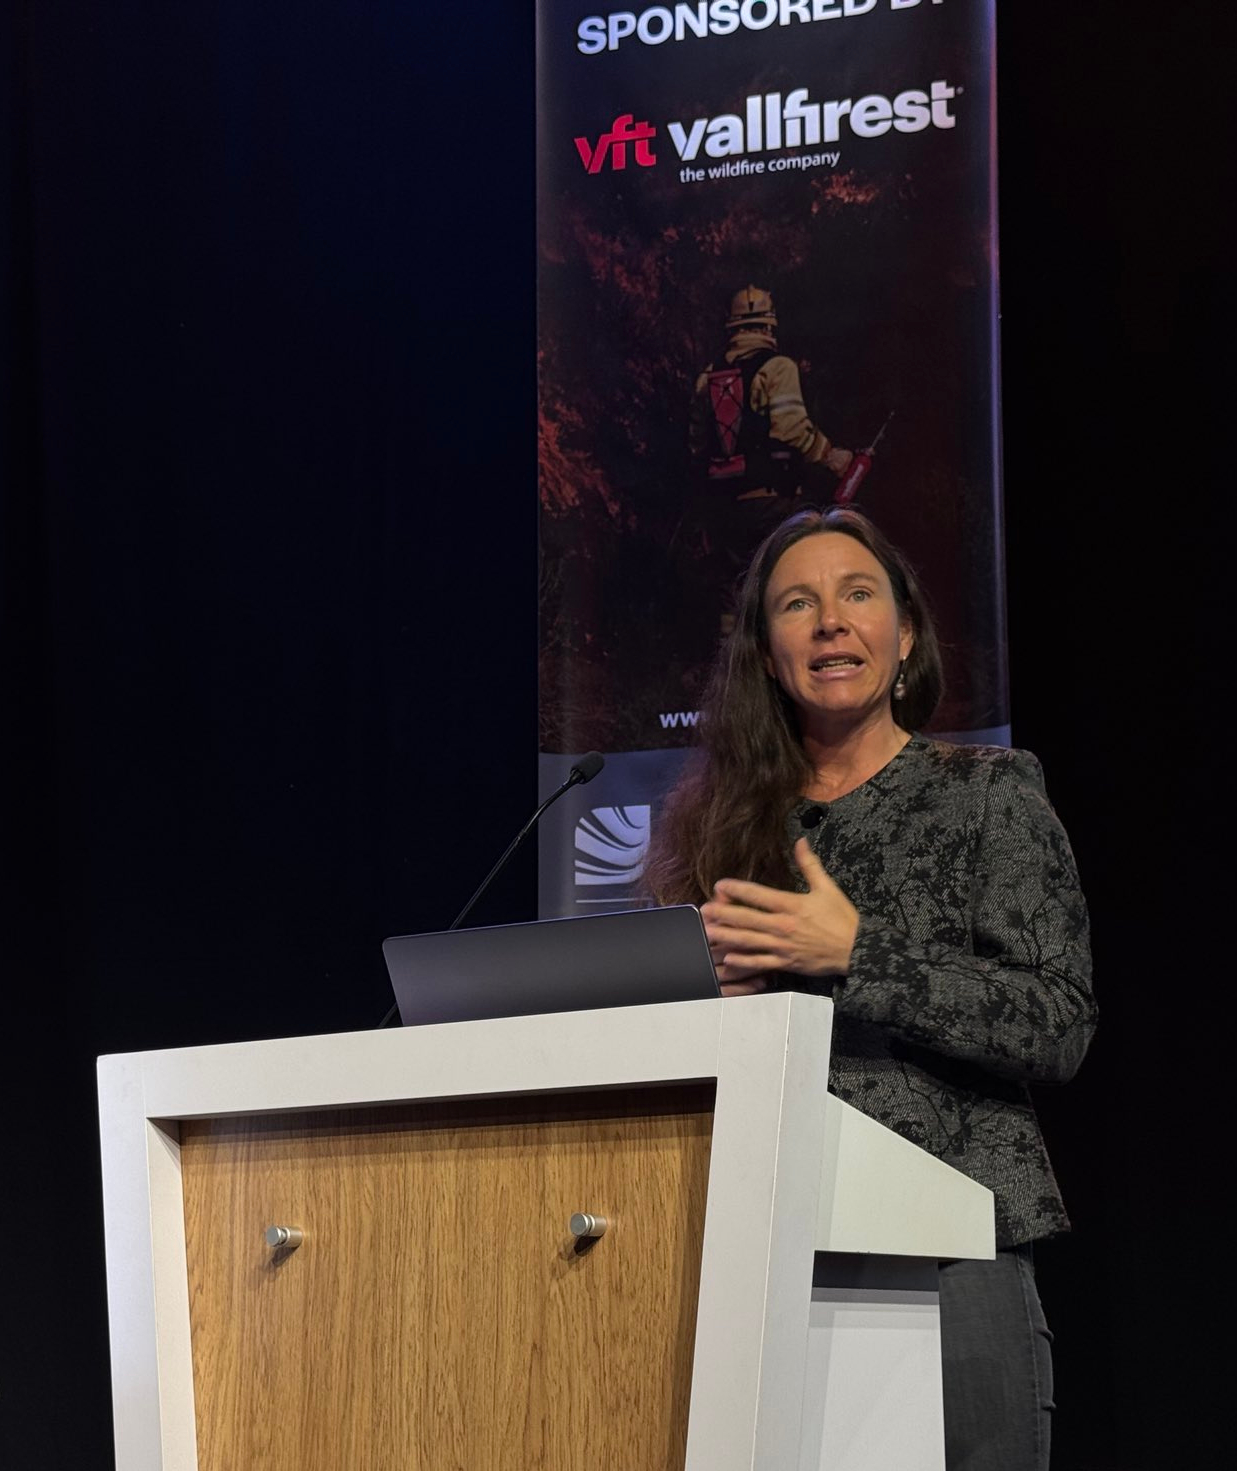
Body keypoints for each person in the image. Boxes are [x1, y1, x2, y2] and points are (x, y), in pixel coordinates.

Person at [643, 505, 1095, 1471]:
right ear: (767, 656)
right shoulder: (710, 830)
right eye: (796, 604)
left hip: (947, 1251)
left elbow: (1056, 1022)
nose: (829, 622)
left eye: (857, 594)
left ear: (906, 635)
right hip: (754, 1249)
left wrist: (857, 956)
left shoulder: (986, 792)